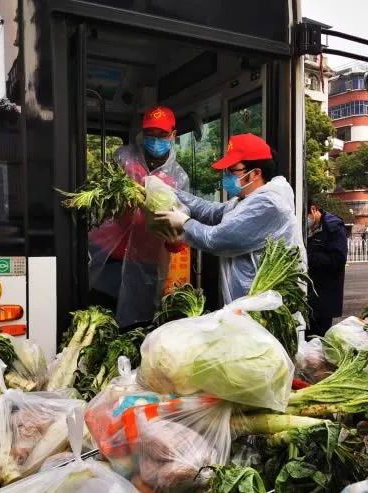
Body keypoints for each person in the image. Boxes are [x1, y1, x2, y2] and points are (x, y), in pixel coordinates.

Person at [154, 133, 304, 304]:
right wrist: (170, 192)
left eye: (232, 171)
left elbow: (217, 239)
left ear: (255, 173)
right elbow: (210, 211)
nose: (227, 177)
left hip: (264, 310)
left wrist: (184, 223)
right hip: (245, 306)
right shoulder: (244, 201)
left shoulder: (268, 204)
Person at [88, 106, 189, 327]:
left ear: (173, 134)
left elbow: (179, 225)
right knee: (99, 319)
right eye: (150, 134)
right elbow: (101, 198)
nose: (155, 140)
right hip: (109, 253)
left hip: (144, 261)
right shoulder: (123, 159)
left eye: (161, 135)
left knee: (136, 323)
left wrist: (174, 240)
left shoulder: (178, 177)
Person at [305, 198, 347, 337]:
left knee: (317, 337)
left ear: (313, 209)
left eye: (307, 217)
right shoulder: (310, 228)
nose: (306, 222)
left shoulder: (333, 227)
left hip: (324, 295)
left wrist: (307, 258)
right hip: (310, 294)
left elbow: (338, 259)